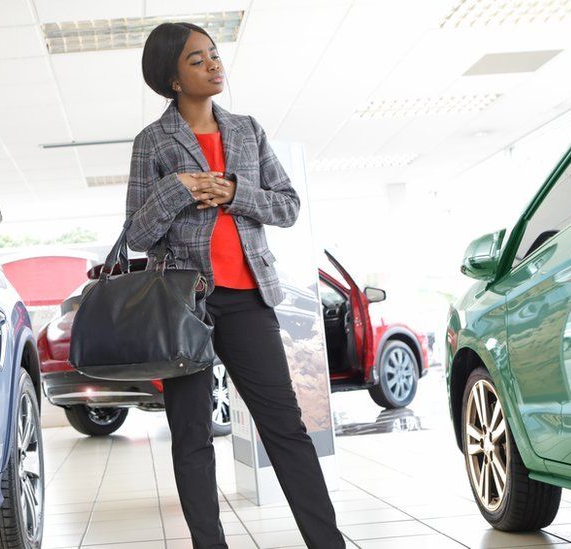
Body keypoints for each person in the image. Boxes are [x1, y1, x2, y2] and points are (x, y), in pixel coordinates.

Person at [124, 21, 345, 549]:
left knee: (286, 429)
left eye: (214, 55)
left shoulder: (247, 130)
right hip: (184, 306)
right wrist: (176, 189)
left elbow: (287, 206)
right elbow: (137, 232)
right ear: (173, 78)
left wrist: (233, 192)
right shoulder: (152, 142)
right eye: (197, 61)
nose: (213, 65)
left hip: (249, 299)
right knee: (193, 438)